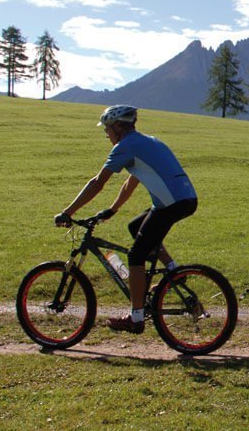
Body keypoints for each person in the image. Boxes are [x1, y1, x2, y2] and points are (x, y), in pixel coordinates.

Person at [54, 105, 198, 334]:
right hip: (184, 199)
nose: (106, 134)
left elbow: (97, 183)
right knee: (136, 226)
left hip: (171, 204)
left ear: (118, 127)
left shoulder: (125, 146)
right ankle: (173, 271)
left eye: (108, 129)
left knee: (135, 255)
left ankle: (136, 318)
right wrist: (113, 209)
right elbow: (132, 181)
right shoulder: (146, 141)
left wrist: (68, 212)